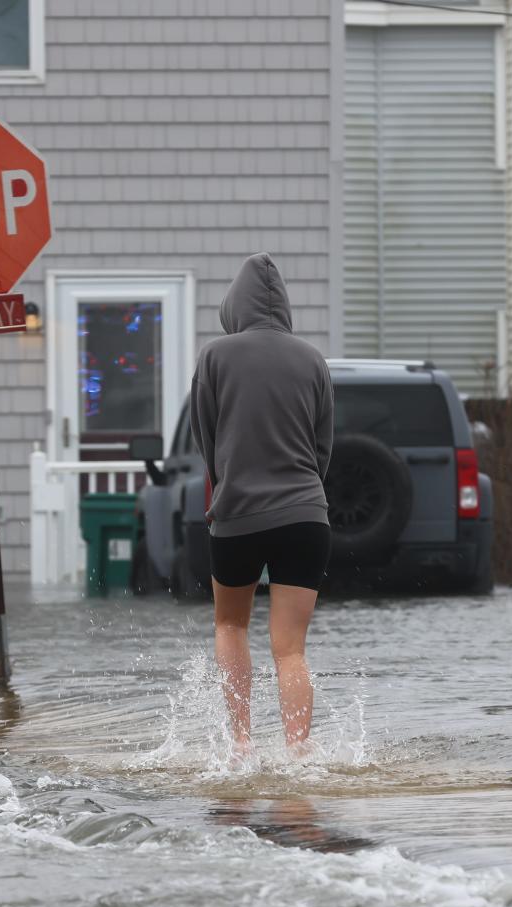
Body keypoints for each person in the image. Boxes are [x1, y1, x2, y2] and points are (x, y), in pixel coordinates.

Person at [189, 252, 334, 758]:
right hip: (306, 516)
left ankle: (242, 744)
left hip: (237, 515)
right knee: (291, 648)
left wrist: (227, 481)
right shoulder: (312, 359)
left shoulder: (214, 356)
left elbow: (205, 437)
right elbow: (323, 448)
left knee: (231, 625)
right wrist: (304, 497)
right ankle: (298, 749)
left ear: (234, 305)